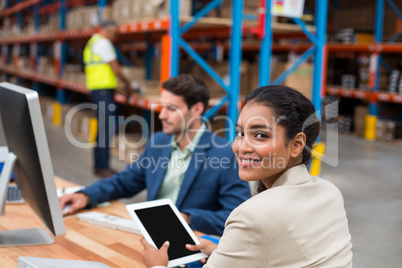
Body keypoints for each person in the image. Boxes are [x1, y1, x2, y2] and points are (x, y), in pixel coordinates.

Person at [141, 85, 353, 268]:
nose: (240, 147)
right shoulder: (330, 192)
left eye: (260, 135)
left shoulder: (252, 215)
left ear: (297, 144)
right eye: (241, 133)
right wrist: (227, 254)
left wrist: (157, 264)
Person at [60, 74, 251, 236]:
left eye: (171, 109)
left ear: (197, 109)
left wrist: (187, 218)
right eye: (162, 107)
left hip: (191, 245)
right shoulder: (158, 142)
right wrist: (86, 196)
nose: (162, 115)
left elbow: (236, 217)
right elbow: (124, 182)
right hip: (150, 238)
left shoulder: (225, 154)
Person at [83, 20, 133, 178]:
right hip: (103, 92)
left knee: (103, 129)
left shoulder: (92, 43)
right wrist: (127, 84)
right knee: (106, 129)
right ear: (107, 30)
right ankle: (102, 167)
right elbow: (115, 68)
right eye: (114, 33)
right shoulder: (103, 43)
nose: (115, 36)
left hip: (99, 90)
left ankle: (100, 166)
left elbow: (102, 71)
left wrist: (116, 87)